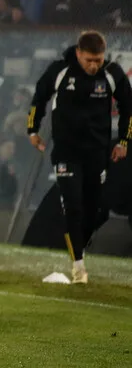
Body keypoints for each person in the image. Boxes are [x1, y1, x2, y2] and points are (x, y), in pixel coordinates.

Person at [27, 30, 131, 284]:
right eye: (89, 60)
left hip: (97, 153)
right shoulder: (60, 71)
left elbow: (128, 108)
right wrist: (33, 130)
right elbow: (39, 98)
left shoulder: (112, 74)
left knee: (91, 210)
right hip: (66, 151)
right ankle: (78, 267)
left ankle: (78, 253)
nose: (94, 65)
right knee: (72, 205)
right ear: (78, 54)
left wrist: (124, 142)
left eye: (98, 60)